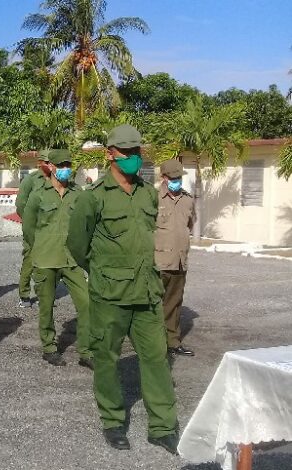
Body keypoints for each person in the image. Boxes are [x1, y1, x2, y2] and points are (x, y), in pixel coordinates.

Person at [67, 124, 179, 454]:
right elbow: (77, 244)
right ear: (110, 154)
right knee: (106, 359)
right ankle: (113, 422)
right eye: (126, 152)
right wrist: (102, 272)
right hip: (110, 296)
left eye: (137, 152)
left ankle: (162, 427)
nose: (133, 158)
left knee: (157, 359)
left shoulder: (148, 193)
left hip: (146, 294)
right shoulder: (93, 198)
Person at [22, 149, 92, 369]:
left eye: (68, 165)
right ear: (50, 166)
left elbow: (84, 224)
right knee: (46, 306)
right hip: (45, 259)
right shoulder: (38, 194)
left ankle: (86, 352)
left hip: (71, 259)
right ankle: (49, 348)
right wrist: (39, 249)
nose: (65, 169)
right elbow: (29, 227)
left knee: (88, 304)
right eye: (61, 165)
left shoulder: (77, 193)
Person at [155, 159, 196, 357]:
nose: (176, 181)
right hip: (158, 262)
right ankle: (155, 345)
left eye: (179, 178)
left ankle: (172, 342)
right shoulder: (153, 199)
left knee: (174, 304)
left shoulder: (188, 199)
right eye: (172, 178)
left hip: (180, 261)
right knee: (153, 305)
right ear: (163, 178)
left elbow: (190, 225)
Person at [16, 151, 51, 308]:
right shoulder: (30, 180)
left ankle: (43, 293)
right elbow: (21, 205)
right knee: (30, 260)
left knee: (47, 262)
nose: (52, 165)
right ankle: (24, 295)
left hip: (50, 227)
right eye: (48, 162)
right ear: (40, 163)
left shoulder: (56, 179)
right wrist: (30, 223)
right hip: (33, 227)